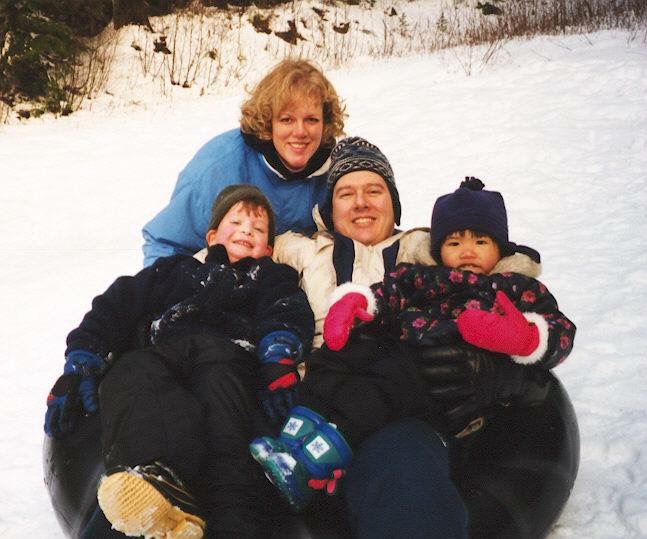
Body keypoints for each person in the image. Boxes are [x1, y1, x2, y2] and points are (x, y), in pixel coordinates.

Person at [249, 173, 575, 515]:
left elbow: (560, 329)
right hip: (395, 347)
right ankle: (291, 436)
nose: (467, 252)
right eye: (454, 243)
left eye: (480, 242)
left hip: (434, 379)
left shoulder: (514, 287)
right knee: (338, 359)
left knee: (377, 392)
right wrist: (357, 303)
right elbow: (392, 292)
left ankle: (316, 461)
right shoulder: (428, 276)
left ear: (500, 247)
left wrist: (525, 337)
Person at [44, 185, 315, 538]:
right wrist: (83, 355)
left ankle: (232, 517)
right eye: (237, 222)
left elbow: (286, 313)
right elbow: (116, 305)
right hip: (164, 351)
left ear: (268, 247)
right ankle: (153, 484)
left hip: (229, 355)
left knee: (223, 408)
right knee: (134, 373)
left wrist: (278, 356)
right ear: (213, 235)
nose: (247, 231)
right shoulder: (176, 270)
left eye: (258, 228)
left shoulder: (271, 277)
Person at [141, 58, 346, 266]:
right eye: (287, 119)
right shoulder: (219, 166)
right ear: (268, 122)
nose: (300, 132)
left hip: (292, 282)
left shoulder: (338, 171)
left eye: (311, 119)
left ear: (325, 123)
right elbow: (165, 244)